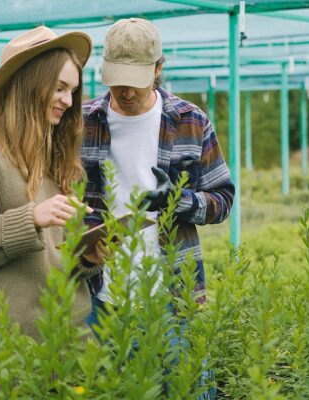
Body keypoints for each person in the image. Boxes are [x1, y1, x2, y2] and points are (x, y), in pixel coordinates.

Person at [0, 26, 94, 342]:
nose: (68, 100)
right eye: (60, 87)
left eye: (73, 91)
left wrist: (88, 256)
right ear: (31, 82)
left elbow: (54, 258)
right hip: (11, 353)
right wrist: (32, 218)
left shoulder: (58, 156)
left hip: (71, 342)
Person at [80, 16, 234, 325]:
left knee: (177, 374)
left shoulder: (191, 122)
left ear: (158, 69)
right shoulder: (82, 123)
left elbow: (223, 201)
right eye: (118, 81)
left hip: (172, 294)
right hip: (97, 293)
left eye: (136, 82)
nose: (126, 92)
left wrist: (178, 200)